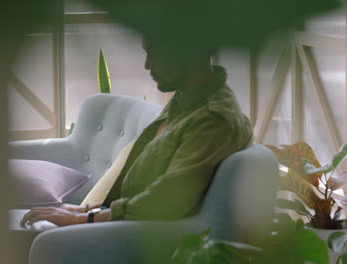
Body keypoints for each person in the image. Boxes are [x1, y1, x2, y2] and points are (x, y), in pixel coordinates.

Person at [20, 35, 253, 227]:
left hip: (138, 232)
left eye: (155, 53)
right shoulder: (186, 100)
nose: (147, 65)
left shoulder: (213, 120)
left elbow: (167, 199)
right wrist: (87, 209)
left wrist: (85, 218)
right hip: (119, 216)